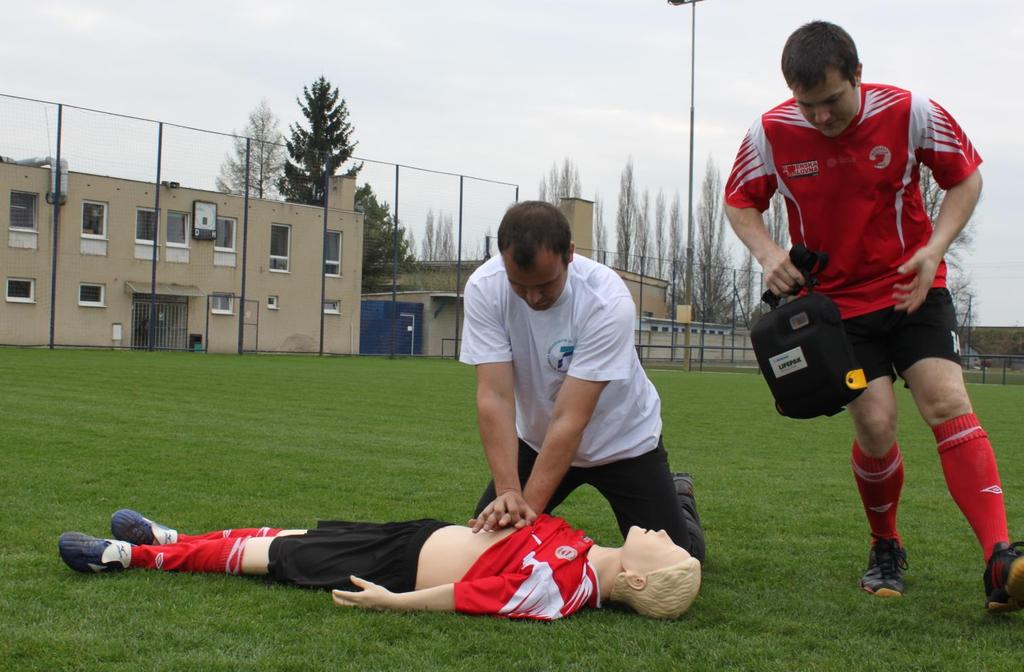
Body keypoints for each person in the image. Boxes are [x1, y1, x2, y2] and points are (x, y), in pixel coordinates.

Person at [724, 20, 1023, 611]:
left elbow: (966, 179)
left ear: (857, 76)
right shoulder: (769, 133)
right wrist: (768, 254)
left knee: (945, 400)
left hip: (913, 287)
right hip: (837, 310)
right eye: (808, 106)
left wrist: (934, 248)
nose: (821, 119)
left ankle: (1000, 558)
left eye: (832, 101)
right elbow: (739, 201)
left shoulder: (912, 112)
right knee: (877, 423)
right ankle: (886, 545)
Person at [459, 200, 704, 561]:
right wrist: (509, 491)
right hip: (538, 440)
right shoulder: (485, 288)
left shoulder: (606, 300)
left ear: (569, 254)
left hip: (622, 442)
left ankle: (680, 499)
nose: (533, 297)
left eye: (545, 284)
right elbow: (494, 396)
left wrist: (525, 518)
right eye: (519, 285)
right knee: (484, 550)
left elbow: (571, 418)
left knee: (677, 564)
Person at [57, 508, 701, 621]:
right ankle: (170, 539)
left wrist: (394, 602)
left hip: (395, 566)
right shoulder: (581, 550)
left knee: (272, 555)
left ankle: (128, 557)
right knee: (287, 534)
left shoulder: (564, 589)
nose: (669, 535)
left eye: (670, 548)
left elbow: (469, 596)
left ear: (638, 578)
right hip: (410, 534)